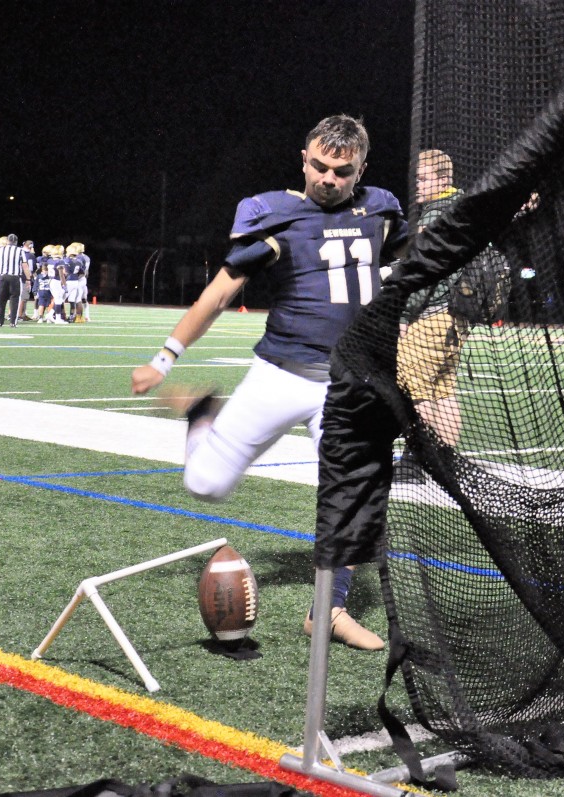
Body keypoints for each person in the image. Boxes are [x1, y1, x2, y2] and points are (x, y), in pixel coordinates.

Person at [131, 115, 409, 650]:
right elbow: (218, 295)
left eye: (341, 170)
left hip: (347, 386)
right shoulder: (274, 215)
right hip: (281, 374)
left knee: (350, 499)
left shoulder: (382, 209)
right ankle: (200, 417)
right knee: (205, 485)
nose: (328, 178)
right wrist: (164, 358)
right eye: (319, 166)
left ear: (361, 170)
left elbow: (407, 264)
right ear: (303, 159)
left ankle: (327, 610)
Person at [396, 150, 465, 478]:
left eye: (423, 179)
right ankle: (446, 461)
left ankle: (416, 462)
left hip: (430, 316)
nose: (418, 186)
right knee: (444, 390)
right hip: (456, 318)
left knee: (414, 389)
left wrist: (406, 317)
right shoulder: (462, 207)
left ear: (443, 180)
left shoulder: (432, 216)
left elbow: (424, 274)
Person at [0, 233, 30, 327]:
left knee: (1, 300)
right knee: (14, 300)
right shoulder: (20, 250)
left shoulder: (1, 249)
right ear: (16, 242)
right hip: (15, 277)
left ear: (7, 241)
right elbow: (25, 265)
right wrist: (28, 279)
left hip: (3, 277)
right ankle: (13, 322)